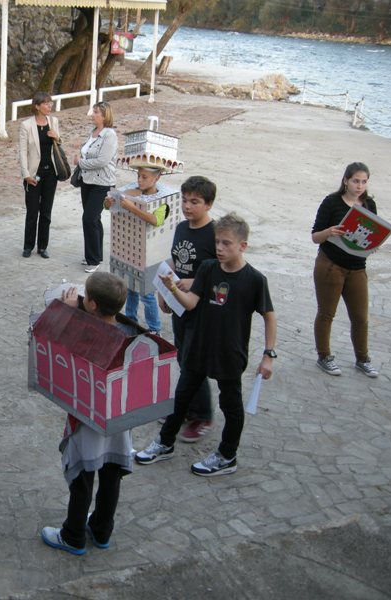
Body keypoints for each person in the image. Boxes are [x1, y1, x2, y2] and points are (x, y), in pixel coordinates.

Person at [136, 213, 277, 477]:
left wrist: (268, 355)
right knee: (181, 398)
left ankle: (227, 456)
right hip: (199, 346)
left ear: (243, 246)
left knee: (231, 406)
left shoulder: (255, 280)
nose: (219, 248)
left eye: (226, 243)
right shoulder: (208, 268)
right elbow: (191, 303)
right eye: (217, 242)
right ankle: (165, 443)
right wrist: (172, 288)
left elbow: (269, 316)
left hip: (229, 353)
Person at [40, 272, 134, 555]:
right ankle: (102, 530)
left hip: (88, 418)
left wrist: (67, 313)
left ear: (91, 304)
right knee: (111, 475)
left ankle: (73, 535)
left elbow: (50, 339)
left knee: (83, 476)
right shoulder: (129, 334)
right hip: (119, 417)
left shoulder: (83, 335)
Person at [159, 176, 217, 443]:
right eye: (184, 200)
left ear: (209, 204)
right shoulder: (182, 227)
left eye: (195, 202)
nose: (187, 206)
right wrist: (165, 291)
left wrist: (195, 281)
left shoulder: (215, 234)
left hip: (201, 310)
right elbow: (175, 260)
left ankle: (202, 415)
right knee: (182, 357)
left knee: (194, 362)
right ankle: (183, 407)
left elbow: (222, 272)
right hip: (179, 304)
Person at [311, 162, 379, 378]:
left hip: (357, 267)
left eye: (364, 182)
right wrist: (329, 232)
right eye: (356, 181)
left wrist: (373, 245)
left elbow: (371, 233)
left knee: (360, 317)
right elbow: (315, 237)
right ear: (346, 181)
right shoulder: (332, 202)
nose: (359, 186)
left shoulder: (369, 205)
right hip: (331, 264)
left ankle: (363, 358)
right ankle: (324, 356)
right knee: (326, 313)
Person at [105, 165, 172, 334]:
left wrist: (131, 207)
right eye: (139, 176)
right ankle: (131, 321)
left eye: (144, 177)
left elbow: (155, 220)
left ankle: (154, 329)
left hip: (148, 255)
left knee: (147, 295)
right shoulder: (131, 192)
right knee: (130, 289)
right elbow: (107, 206)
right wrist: (108, 203)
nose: (139, 180)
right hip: (129, 251)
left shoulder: (163, 200)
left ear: (157, 178)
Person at [75, 101, 118, 273]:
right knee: (94, 219)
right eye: (93, 111)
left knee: (89, 218)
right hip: (87, 181)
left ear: (105, 115)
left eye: (96, 112)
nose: (92, 114)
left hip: (103, 183)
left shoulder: (110, 135)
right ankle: (94, 255)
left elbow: (102, 161)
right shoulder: (92, 132)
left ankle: (94, 260)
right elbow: (86, 153)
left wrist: (80, 163)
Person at [19, 91, 60, 259]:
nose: (49, 106)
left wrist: (56, 137)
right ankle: (28, 246)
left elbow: (58, 145)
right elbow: (22, 152)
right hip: (33, 174)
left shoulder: (54, 122)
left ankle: (43, 246)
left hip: (51, 173)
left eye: (50, 103)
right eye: (46, 103)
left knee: (46, 212)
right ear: (37, 106)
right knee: (32, 212)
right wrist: (26, 175)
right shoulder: (26, 125)